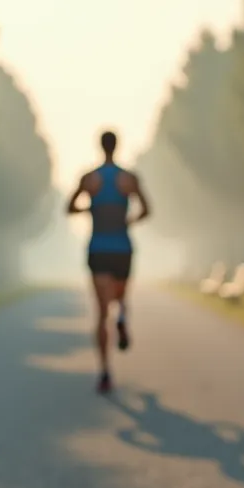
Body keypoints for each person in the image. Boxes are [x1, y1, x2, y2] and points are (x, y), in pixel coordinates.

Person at [66, 129, 151, 394]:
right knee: (120, 296)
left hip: (98, 248)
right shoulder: (129, 179)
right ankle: (123, 315)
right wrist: (128, 221)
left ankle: (104, 372)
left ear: (100, 147)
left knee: (101, 312)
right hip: (123, 248)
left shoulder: (89, 179)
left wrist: (90, 208)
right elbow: (147, 210)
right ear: (118, 146)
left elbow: (69, 207)